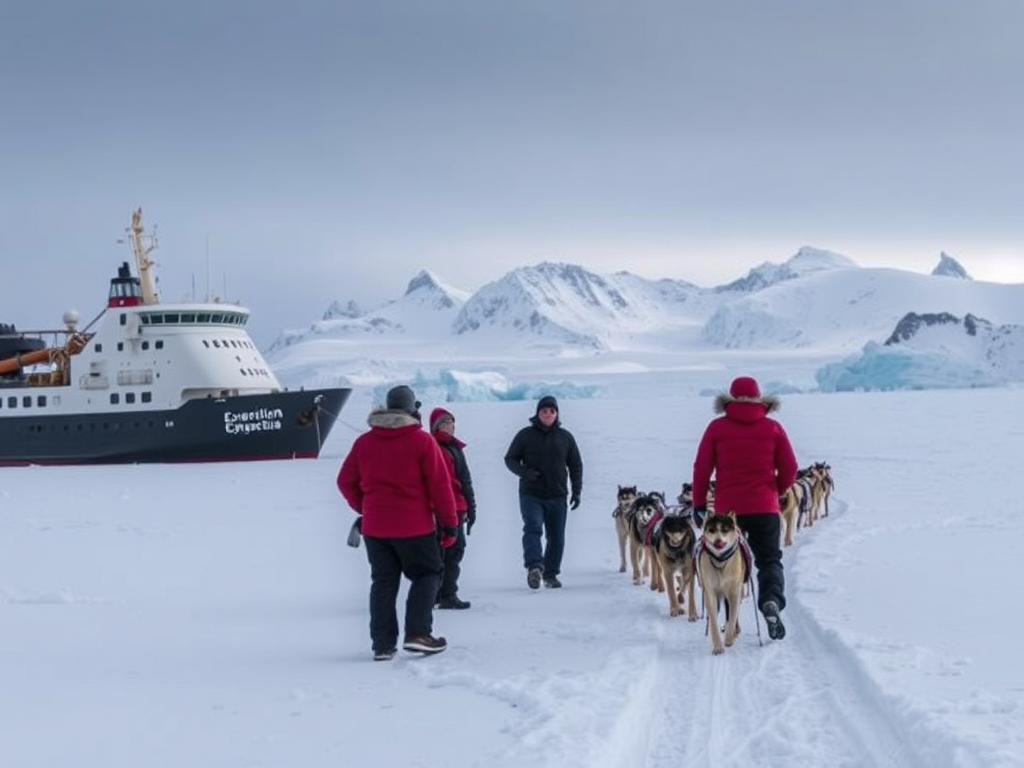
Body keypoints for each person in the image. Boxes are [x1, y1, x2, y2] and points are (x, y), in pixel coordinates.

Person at [337, 385, 458, 660]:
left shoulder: (365, 442)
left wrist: (366, 507)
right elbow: (440, 486)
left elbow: (345, 482)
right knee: (428, 574)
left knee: (383, 582)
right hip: (415, 527)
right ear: (413, 409)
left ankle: (382, 644)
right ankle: (417, 634)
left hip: (376, 529)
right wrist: (450, 525)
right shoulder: (422, 441)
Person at [691, 376, 798, 640]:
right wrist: (777, 490)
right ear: (759, 398)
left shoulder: (717, 428)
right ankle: (770, 600)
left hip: (729, 515)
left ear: (730, 398)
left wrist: (699, 504)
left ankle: (732, 622)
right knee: (769, 560)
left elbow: (701, 468)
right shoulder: (773, 428)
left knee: (726, 564)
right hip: (765, 508)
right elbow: (791, 468)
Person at [504, 395, 583, 590]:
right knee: (533, 528)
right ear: (538, 413)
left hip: (558, 495)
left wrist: (577, 491)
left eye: (552, 411)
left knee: (556, 537)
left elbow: (576, 465)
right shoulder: (525, 435)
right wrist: (524, 472)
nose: (548, 414)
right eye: (544, 411)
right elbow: (510, 459)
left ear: (557, 414)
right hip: (531, 494)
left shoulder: (565, 437)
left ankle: (550, 574)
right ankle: (534, 567)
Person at [429, 407, 477, 610]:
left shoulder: (454, 448)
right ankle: (443, 593)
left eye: (452, 421)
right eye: (446, 422)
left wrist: (471, 506)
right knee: (445, 552)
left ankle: (442, 592)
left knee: (455, 551)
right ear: (438, 426)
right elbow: (440, 483)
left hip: (458, 507)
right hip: (445, 508)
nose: (451, 425)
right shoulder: (434, 448)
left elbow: (465, 480)